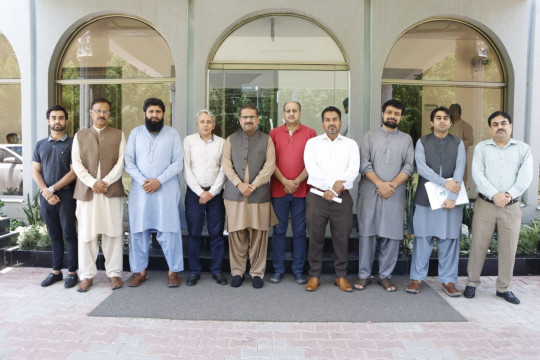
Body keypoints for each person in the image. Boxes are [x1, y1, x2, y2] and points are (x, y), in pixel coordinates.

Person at [464, 111, 533, 304]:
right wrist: (495, 195)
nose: (499, 127)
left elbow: (525, 177)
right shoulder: (482, 148)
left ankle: (504, 288)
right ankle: (471, 283)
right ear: (490, 128)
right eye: (495, 124)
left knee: (508, 248)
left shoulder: (523, 149)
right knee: (478, 244)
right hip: (486, 204)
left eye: (504, 123)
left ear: (510, 126)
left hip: (511, 207)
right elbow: (477, 174)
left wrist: (508, 195)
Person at [355, 99, 414, 292]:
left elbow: (408, 166)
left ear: (401, 117)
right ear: (383, 114)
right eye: (389, 112)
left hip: (394, 194)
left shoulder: (406, 139)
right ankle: (364, 275)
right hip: (370, 191)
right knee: (367, 234)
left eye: (396, 114)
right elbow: (364, 164)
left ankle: (385, 276)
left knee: (391, 235)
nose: (392, 116)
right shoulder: (369, 136)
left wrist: (392, 185)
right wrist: (380, 184)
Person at [124, 98, 184, 288]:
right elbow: (128, 162)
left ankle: (173, 271)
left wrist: (159, 180)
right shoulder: (135, 134)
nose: (154, 115)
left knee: (169, 230)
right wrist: (145, 181)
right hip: (141, 191)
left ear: (163, 114)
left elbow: (178, 162)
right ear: (144, 114)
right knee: (139, 230)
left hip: (166, 189)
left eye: (158, 112)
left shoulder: (173, 134)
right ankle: (140, 271)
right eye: (151, 112)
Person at [406, 106, 465, 297]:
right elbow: (422, 169)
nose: (442, 121)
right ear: (432, 122)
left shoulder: (458, 143)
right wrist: (444, 183)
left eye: (445, 118)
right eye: (438, 118)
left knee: (449, 241)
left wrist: (452, 197)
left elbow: (459, 170)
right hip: (425, 199)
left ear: (450, 122)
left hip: (451, 201)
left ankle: (448, 281)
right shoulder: (422, 142)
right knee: (423, 240)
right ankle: (416, 278)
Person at [72, 98, 126, 292]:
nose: (102, 114)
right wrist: (93, 183)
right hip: (87, 193)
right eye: (98, 111)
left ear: (109, 114)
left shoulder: (119, 135)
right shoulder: (80, 136)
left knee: (113, 234)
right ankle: (86, 276)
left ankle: (114, 274)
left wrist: (106, 182)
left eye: (106, 111)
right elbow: (76, 165)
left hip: (111, 192)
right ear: (91, 112)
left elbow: (121, 163)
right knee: (86, 235)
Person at [304, 105, 360, 292]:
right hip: (317, 197)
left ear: (340, 122)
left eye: (334, 119)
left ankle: (341, 276)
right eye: (327, 120)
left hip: (342, 198)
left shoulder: (350, 144)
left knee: (342, 238)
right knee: (315, 238)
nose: (331, 123)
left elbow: (353, 170)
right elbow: (312, 168)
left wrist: (335, 190)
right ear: (322, 124)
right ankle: (314, 276)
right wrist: (330, 187)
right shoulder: (313, 143)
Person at [222, 104, 277, 289]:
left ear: (258, 119)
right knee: (236, 235)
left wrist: (254, 184)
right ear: (239, 120)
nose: (248, 120)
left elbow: (270, 165)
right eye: (245, 117)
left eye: (252, 117)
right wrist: (239, 184)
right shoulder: (230, 140)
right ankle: (237, 272)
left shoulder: (267, 140)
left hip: (259, 194)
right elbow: (226, 165)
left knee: (258, 236)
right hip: (234, 195)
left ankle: (256, 273)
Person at [269, 101, 316, 285]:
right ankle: (278, 270)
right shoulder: (274, 134)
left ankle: (298, 270)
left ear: (300, 113)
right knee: (279, 231)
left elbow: (313, 162)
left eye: (294, 110)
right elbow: (269, 161)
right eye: (288, 111)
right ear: (284, 113)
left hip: (301, 190)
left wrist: (296, 181)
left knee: (299, 232)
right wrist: (284, 181)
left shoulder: (310, 133)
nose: (291, 114)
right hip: (278, 190)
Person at [32, 105, 78, 288]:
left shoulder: (73, 143)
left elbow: (73, 173)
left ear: (66, 121)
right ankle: (56, 271)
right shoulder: (40, 144)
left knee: (69, 234)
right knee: (54, 235)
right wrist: (46, 191)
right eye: (54, 117)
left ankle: (73, 272)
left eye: (61, 117)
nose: (57, 121)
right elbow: (35, 170)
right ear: (48, 121)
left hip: (66, 196)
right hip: (47, 197)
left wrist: (52, 189)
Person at [183, 109, 227, 286]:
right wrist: (201, 193)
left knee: (216, 234)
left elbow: (224, 169)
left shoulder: (222, 143)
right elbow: (186, 168)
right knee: (194, 234)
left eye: (209, 122)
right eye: (202, 122)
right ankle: (194, 271)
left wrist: (212, 192)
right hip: (194, 194)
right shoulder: (189, 141)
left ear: (213, 125)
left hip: (216, 194)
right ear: (197, 124)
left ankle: (217, 270)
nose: (205, 125)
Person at [449, 103, 474, 183]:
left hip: (460, 157)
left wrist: (458, 144)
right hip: (447, 157)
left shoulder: (465, 125)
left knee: (460, 181)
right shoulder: (447, 125)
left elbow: (470, 141)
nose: (452, 113)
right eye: (451, 111)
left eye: (454, 111)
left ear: (459, 113)